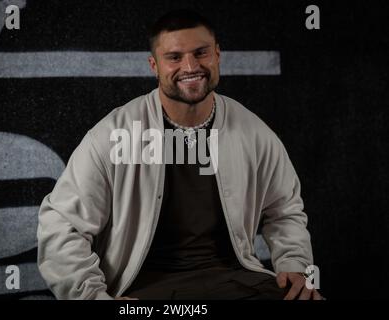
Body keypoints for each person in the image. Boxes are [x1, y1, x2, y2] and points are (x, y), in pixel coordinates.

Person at [37, 9, 322, 300]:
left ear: (218, 55)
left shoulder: (253, 132)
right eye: (174, 57)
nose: (190, 66)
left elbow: (284, 210)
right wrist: (91, 296)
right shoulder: (113, 135)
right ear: (154, 65)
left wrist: (294, 264)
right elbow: (61, 226)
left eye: (201, 52)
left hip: (235, 280)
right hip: (145, 291)